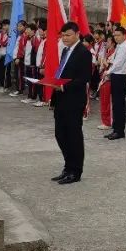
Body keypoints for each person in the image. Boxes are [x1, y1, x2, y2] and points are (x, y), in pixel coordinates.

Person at [50, 22, 92, 185]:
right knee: (60, 134)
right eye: (63, 35)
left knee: (73, 136)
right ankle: (67, 167)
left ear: (77, 34)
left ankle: (76, 171)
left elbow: (84, 79)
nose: (65, 38)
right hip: (61, 99)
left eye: (68, 35)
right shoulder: (66, 51)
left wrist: (62, 85)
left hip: (74, 100)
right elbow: (62, 74)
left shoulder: (84, 53)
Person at [105, 26, 126, 140]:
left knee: (119, 105)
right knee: (115, 105)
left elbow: (118, 64)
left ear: (124, 35)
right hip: (116, 76)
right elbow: (113, 59)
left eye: (118, 35)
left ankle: (120, 131)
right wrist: (108, 61)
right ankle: (116, 129)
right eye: (115, 35)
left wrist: (108, 72)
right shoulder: (120, 46)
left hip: (120, 76)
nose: (116, 37)